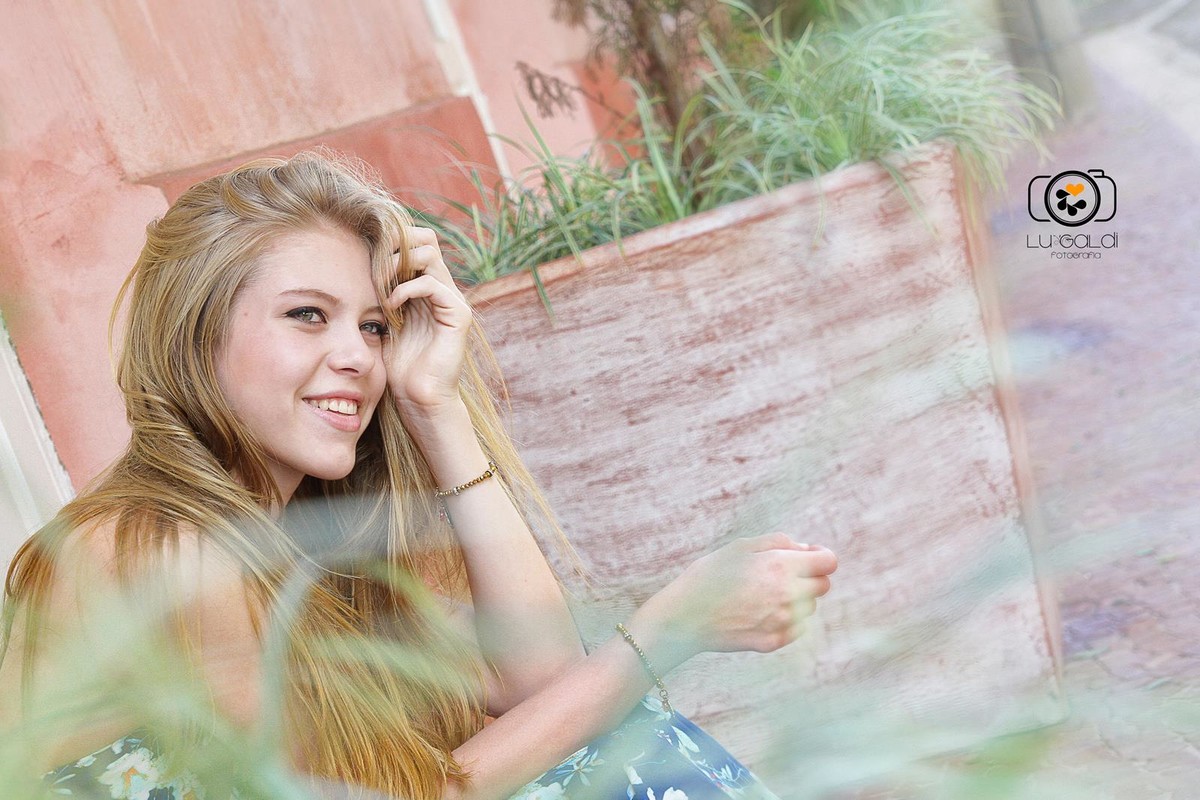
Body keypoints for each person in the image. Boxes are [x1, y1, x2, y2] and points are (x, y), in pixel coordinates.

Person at [0, 150, 837, 799]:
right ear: (196, 334)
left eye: (372, 327)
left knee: (617, 739)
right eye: (306, 316)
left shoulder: (308, 551)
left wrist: (436, 407)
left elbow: (539, 684)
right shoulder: (163, 551)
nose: (356, 358)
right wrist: (666, 632)